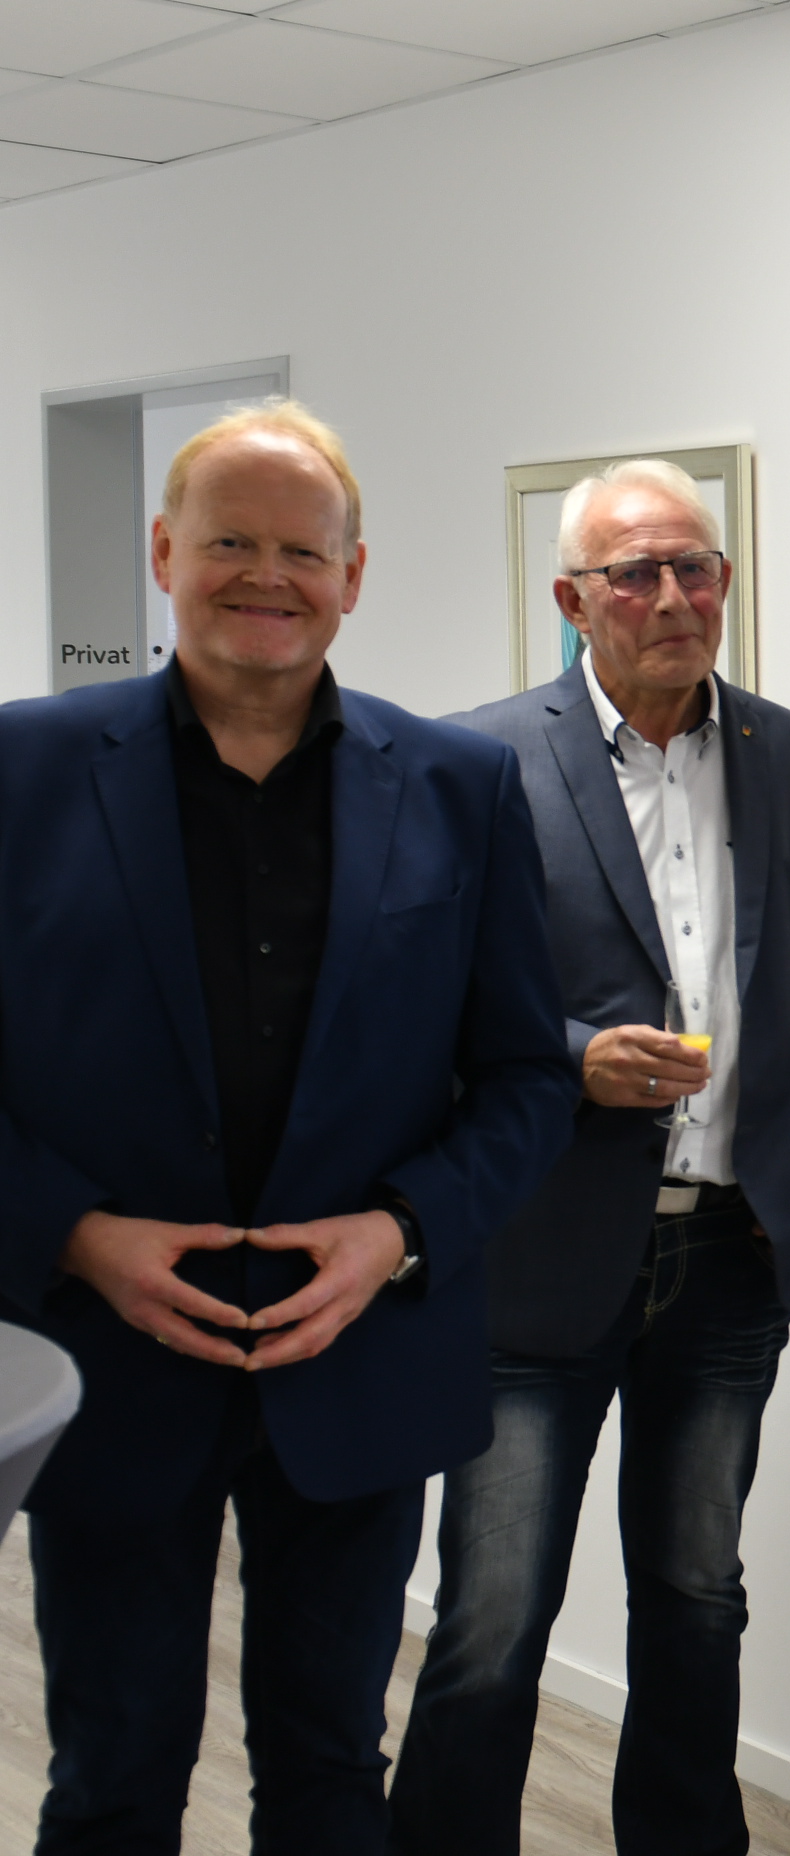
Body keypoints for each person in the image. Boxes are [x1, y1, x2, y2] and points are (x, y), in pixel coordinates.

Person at [0, 403, 574, 1851]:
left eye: (303, 551)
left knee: (328, 1772)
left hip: (360, 1360)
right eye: (230, 543)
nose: (267, 576)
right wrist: (77, 1233)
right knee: (112, 1773)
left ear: (353, 574)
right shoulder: (21, 770)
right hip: (113, 1359)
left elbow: (525, 1075)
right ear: (164, 553)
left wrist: (400, 1234)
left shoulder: (459, 786)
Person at [391, 459, 790, 1856]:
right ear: (573, 599)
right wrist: (570, 1062)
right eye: (635, 573)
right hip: (536, 1261)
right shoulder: (479, 762)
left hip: (730, 1256)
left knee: (697, 1598)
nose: (673, 597)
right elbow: (416, 1014)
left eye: (695, 567)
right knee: (494, 1618)